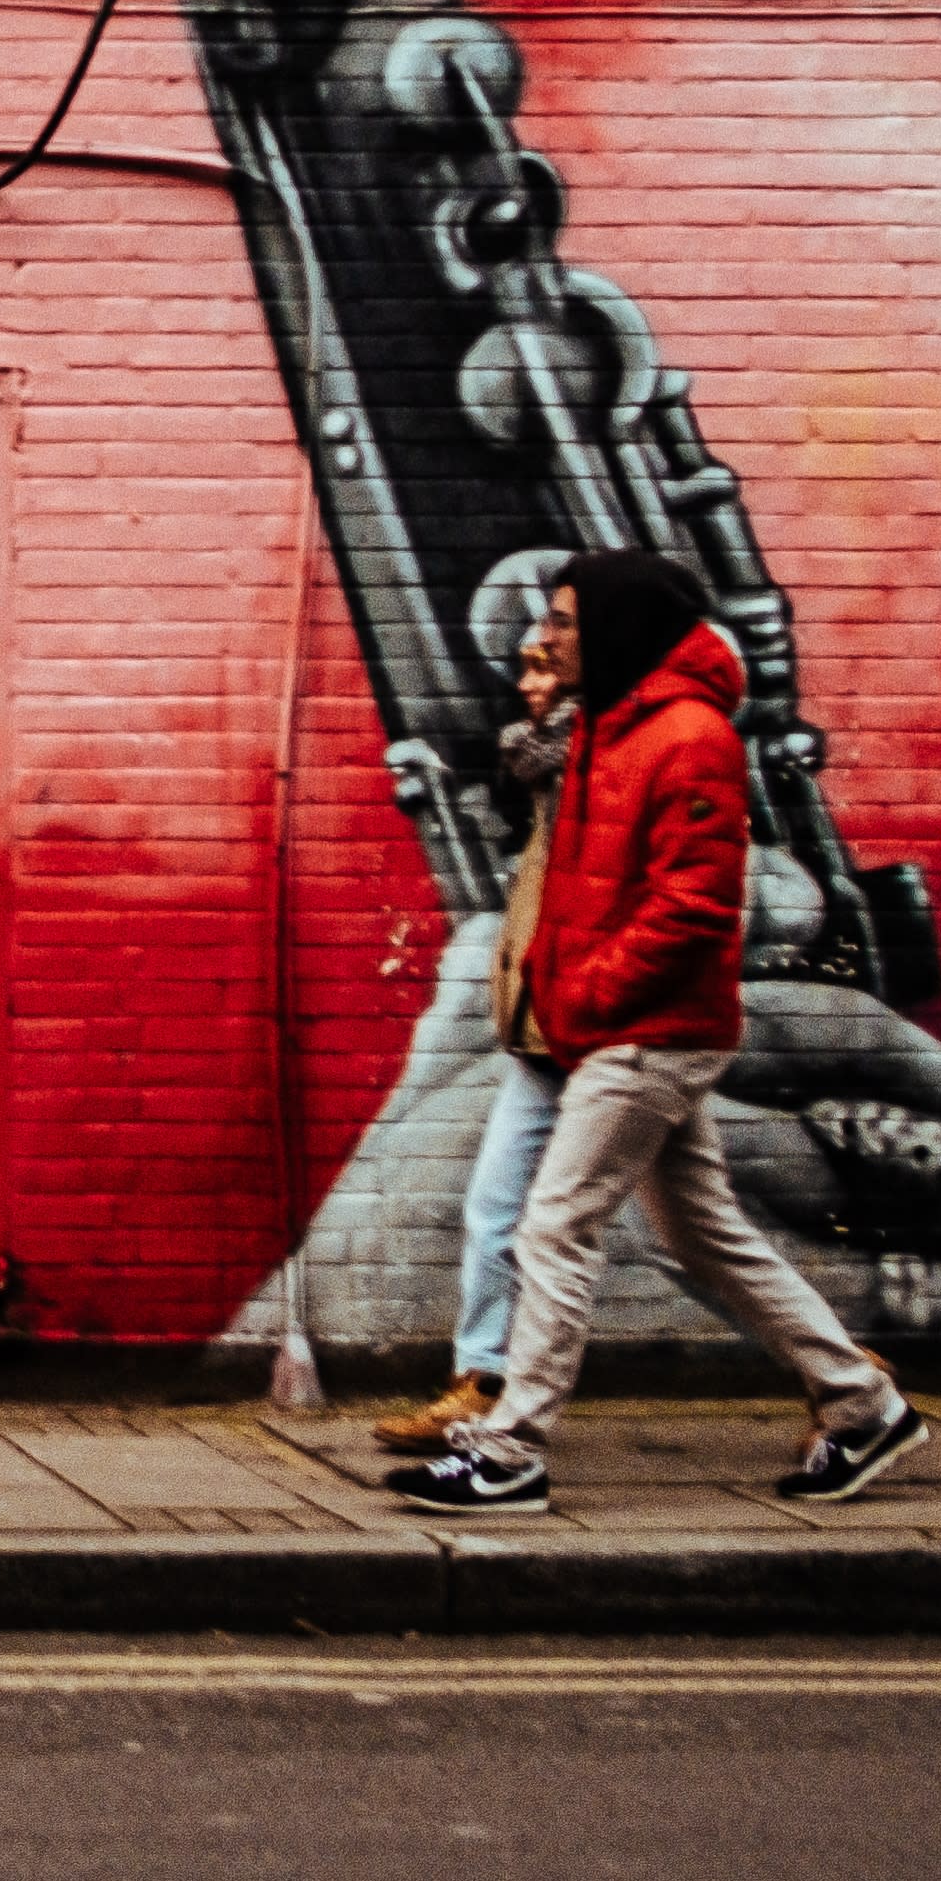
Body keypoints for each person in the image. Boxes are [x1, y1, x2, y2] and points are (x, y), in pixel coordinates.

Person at [384, 551, 929, 1517]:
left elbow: (695, 905)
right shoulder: (609, 726)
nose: (543, 638)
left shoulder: (689, 737)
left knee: (556, 1222)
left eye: (563, 621)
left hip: (648, 1034)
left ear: (619, 628)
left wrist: (588, 991)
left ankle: (511, 1449)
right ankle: (862, 1402)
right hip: (620, 1028)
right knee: (710, 1239)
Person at [371, 581, 584, 1455]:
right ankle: (486, 1378)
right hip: (550, 1022)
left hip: (609, 1026)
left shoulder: (620, 752)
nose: (538, 649)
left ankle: (839, 1369)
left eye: (559, 631)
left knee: (691, 1234)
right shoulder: (557, 752)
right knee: (498, 1204)